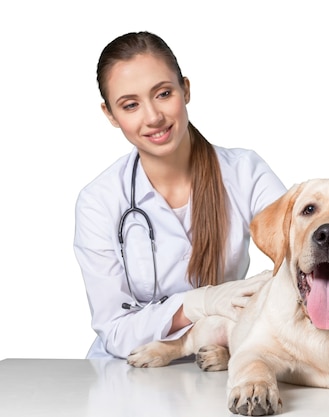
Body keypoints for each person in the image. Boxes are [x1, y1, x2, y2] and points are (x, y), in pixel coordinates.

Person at [73, 31, 286, 359]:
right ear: (111, 115)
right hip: (126, 372)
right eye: (130, 105)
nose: (153, 117)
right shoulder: (99, 202)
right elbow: (115, 330)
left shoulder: (246, 173)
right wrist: (198, 304)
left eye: (163, 93)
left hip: (219, 361)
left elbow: (298, 251)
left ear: (185, 89)